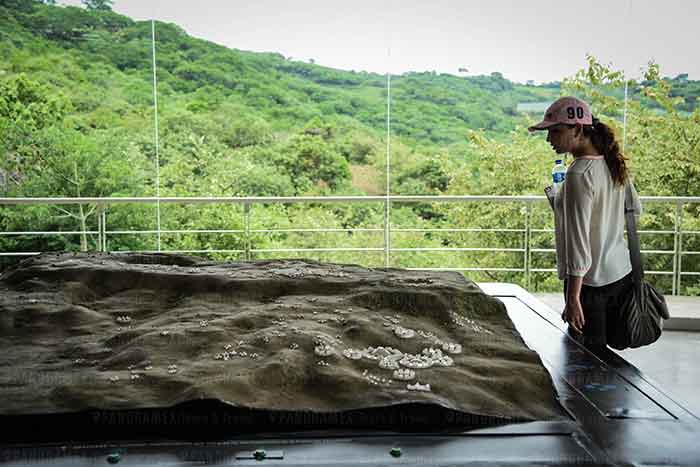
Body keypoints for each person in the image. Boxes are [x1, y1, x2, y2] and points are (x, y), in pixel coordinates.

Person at [528, 96, 641, 354]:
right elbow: (634, 209)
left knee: (585, 362)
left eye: (555, 131)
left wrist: (573, 298)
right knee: (608, 362)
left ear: (577, 129)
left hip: (589, 286)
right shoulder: (612, 163)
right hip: (620, 274)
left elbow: (578, 243)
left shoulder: (578, 173)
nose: (549, 140)